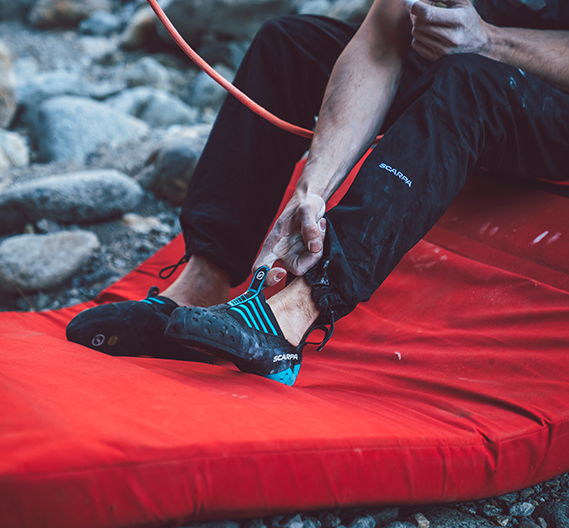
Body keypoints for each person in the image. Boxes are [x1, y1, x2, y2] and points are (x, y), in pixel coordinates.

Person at [67, 0, 569, 385]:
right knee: (287, 43)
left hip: (542, 94)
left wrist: (493, 41)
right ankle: (204, 280)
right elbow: (380, 43)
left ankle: (294, 314)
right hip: (463, 65)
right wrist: (312, 189)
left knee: (466, 79)